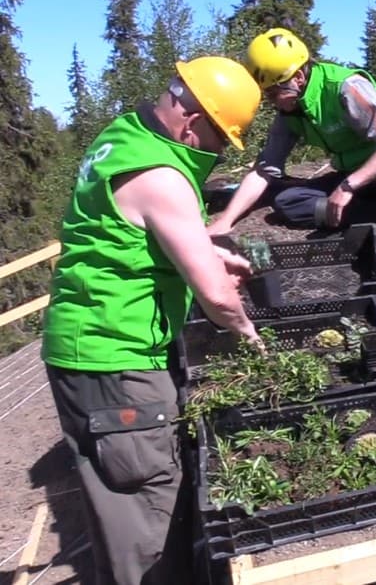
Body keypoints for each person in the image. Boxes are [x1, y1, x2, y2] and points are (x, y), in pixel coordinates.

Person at [40, 57, 265, 585]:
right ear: (194, 123)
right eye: (217, 141)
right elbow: (216, 297)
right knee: (146, 516)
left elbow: (131, 233)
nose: (213, 152)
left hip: (85, 342)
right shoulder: (163, 175)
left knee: (120, 505)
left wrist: (209, 250)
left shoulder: (124, 138)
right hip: (115, 356)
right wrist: (248, 335)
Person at [205, 27, 376, 304]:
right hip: (357, 177)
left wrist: (347, 186)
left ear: (297, 77)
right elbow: (264, 169)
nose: (270, 101)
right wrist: (225, 221)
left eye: (272, 93)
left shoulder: (346, 87)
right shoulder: (290, 112)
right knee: (288, 202)